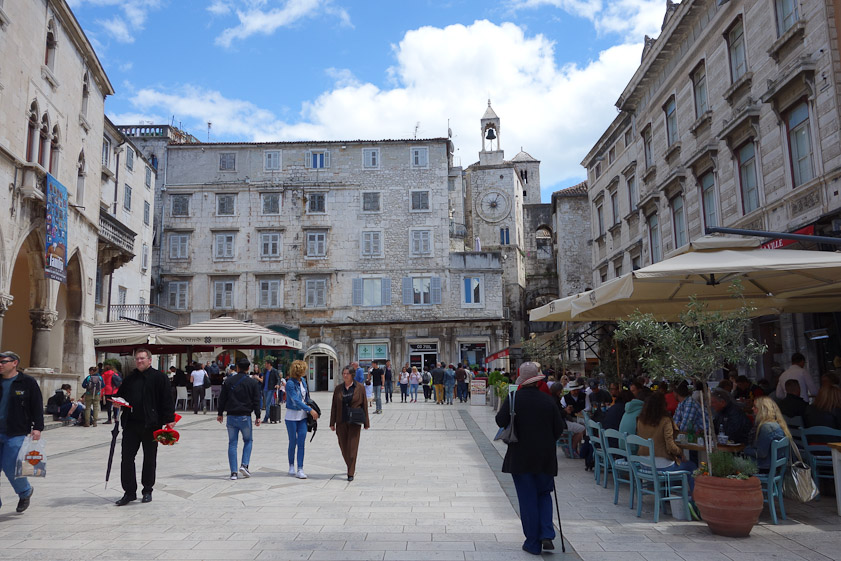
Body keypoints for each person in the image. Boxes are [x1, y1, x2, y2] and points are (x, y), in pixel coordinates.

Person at [495, 363, 564, 555]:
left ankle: (533, 542)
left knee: (527, 499)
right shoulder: (548, 400)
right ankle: (547, 533)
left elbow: (500, 421)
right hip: (545, 457)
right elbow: (559, 428)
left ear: (521, 380)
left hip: (520, 456)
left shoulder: (514, 398)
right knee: (544, 494)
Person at [113, 348, 176, 506]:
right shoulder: (130, 378)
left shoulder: (159, 378)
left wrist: (169, 419)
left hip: (151, 425)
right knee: (126, 459)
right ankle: (129, 492)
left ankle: (147, 490)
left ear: (149, 360)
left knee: (149, 459)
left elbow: (167, 400)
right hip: (131, 424)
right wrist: (117, 401)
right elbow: (121, 395)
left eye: (142, 358)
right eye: (137, 359)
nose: (139, 361)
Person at [0, 351, 43, 513]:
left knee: (11, 466)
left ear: (14, 363)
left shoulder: (27, 382)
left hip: (16, 431)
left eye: (4, 361)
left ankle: (25, 492)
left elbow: (37, 405)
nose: (0, 364)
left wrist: (38, 427)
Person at [635, 391, 696, 490]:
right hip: (661, 466)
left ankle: (671, 495)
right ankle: (691, 499)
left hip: (644, 464)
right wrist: (680, 453)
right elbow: (670, 446)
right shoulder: (665, 421)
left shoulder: (640, 420)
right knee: (691, 466)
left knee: (674, 463)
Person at [217, 357, 261, 480]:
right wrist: (258, 416)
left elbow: (222, 398)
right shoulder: (252, 383)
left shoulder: (228, 381)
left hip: (231, 416)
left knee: (232, 444)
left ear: (237, 368)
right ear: (248, 368)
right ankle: (244, 464)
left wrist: (220, 413)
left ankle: (233, 473)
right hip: (245, 416)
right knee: (248, 441)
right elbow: (256, 400)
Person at [330, 365, 370, 481]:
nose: (345, 375)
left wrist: (366, 422)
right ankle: (349, 465)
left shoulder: (360, 388)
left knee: (352, 447)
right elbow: (334, 406)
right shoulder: (338, 388)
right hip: (341, 420)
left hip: (354, 422)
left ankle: (350, 472)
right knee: (343, 447)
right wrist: (332, 422)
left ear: (352, 375)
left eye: (347, 373)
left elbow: (365, 406)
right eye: (343, 373)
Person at [285, 360, 317, 479]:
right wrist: (310, 409)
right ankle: (291, 465)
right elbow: (296, 401)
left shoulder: (303, 381)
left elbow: (306, 397)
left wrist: (311, 407)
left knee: (301, 442)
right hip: (291, 416)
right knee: (293, 441)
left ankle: (300, 468)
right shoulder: (290, 384)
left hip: (302, 416)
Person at [743, 397, 792, 473]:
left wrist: (745, 449)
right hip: (773, 466)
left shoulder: (766, 427)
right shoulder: (777, 424)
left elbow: (761, 453)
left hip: (763, 467)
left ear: (763, 410)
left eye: (755, 407)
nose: (752, 408)